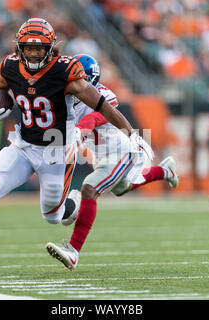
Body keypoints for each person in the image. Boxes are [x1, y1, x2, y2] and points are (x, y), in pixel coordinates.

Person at [0, 18, 148, 271]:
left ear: (50, 48)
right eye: (29, 48)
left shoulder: (64, 72)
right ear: (20, 48)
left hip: (57, 150)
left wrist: (130, 131)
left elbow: (101, 105)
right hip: (23, 145)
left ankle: (72, 204)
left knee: (52, 216)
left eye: (39, 48)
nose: (33, 53)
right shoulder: (10, 66)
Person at [45, 54, 179, 270]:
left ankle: (73, 251)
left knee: (90, 188)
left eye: (75, 79)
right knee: (121, 187)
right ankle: (164, 172)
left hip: (122, 152)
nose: (70, 84)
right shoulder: (68, 99)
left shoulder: (103, 95)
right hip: (102, 156)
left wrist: (79, 130)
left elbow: (96, 117)